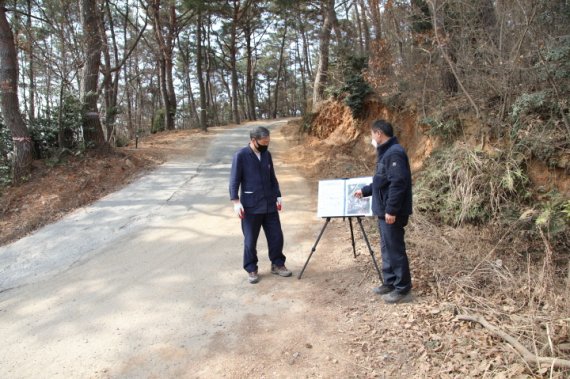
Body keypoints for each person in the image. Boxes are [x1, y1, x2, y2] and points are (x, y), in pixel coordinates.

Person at [354, 120, 413, 304]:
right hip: (384, 209)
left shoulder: (394, 153)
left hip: (391, 212)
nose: (372, 138)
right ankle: (389, 282)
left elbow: (398, 183)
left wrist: (391, 210)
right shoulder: (386, 152)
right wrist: (364, 191)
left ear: (378, 133)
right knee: (386, 247)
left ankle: (402, 288)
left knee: (395, 248)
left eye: (372, 134)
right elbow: (382, 180)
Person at [229, 126, 292, 284]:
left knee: (276, 236)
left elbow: (272, 177)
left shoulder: (266, 155)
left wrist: (278, 195)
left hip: (269, 204)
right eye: (263, 142)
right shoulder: (241, 156)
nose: (266, 145)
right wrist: (236, 201)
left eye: (268, 142)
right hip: (251, 206)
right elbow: (234, 180)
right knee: (250, 240)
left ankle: (278, 264)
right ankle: (251, 268)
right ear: (253, 140)